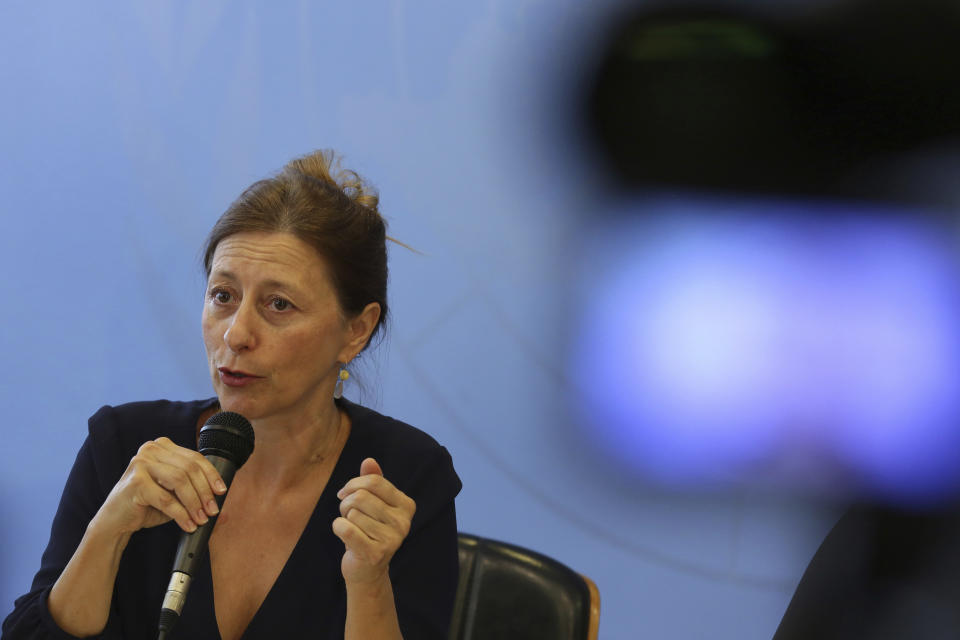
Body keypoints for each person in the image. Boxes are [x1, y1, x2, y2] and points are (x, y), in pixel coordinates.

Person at [2, 150, 462, 640]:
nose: (236, 335)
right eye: (223, 296)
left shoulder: (407, 477)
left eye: (278, 304)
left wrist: (369, 582)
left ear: (356, 330)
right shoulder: (122, 445)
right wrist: (106, 533)